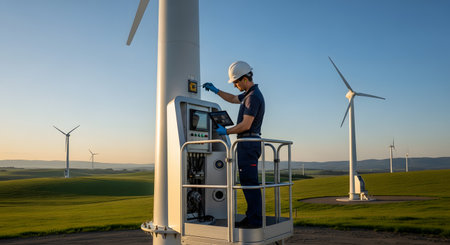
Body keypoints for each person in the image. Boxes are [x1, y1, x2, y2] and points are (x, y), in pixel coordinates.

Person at [203, 61, 265, 228]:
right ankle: (252, 217)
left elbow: (246, 125)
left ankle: (255, 221)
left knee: (250, 183)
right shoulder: (248, 95)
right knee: (247, 182)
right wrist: (216, 91)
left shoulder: (252, 97)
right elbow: (231, 98)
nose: (235, 85)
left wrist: (226, 131)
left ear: (245, 78)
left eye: (236, 82)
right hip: (247, 143)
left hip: (249, 142)